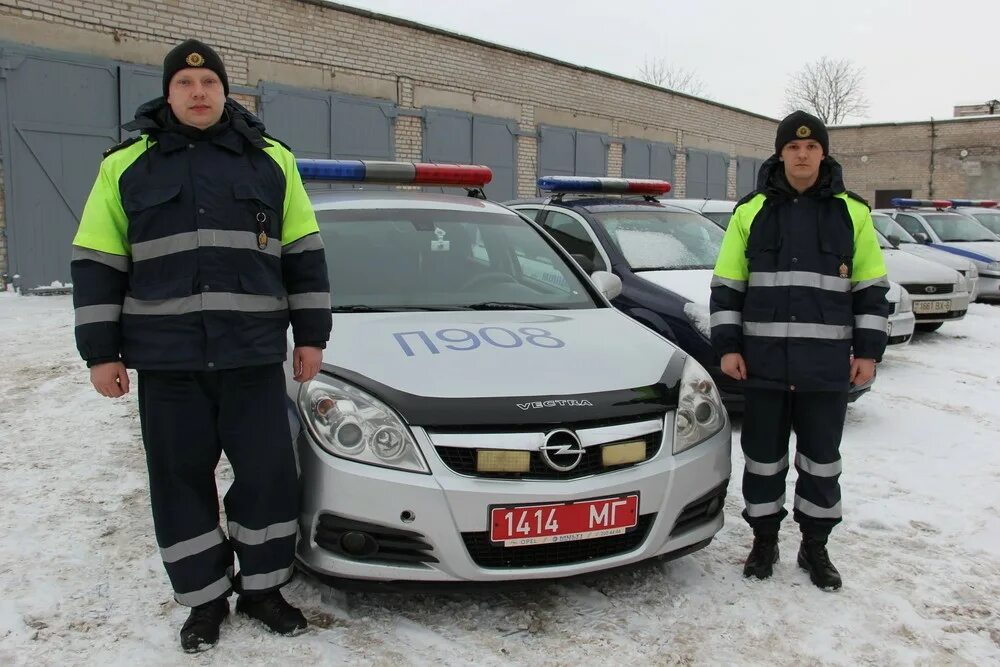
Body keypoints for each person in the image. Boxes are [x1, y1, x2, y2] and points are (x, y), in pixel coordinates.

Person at [70, 39, 332, 651]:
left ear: (226, 92)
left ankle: (263, 588)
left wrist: (311, 336)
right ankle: (204, 600)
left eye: (209, 84)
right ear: (168, 94)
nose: (197, 94)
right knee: (179, 481)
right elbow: (98, 263)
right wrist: (101, 352)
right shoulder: (125, 166)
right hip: (169, 364)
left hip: (251, 357)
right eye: (185, 86)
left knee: (269, 476)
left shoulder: (271, 161)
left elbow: (305, 257)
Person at [709, 110, 889, 591]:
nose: (802, 154)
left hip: (825, 369)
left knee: (821, 463)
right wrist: (728, 347)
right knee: (763, 460)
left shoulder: (854, 212)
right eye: (793, 147)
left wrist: (868, 353)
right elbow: (727, 288)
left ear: (823, 153)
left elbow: (871, 291)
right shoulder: (750, 212)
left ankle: (816, 547)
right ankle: (764, 540)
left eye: (811, 147)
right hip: (763, 366)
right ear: (781, 152)